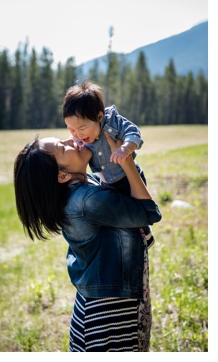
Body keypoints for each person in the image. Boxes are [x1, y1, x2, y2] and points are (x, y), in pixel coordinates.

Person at [13, 132, 161, 352]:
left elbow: (133, 193)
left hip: (110, 302)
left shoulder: (87, 184)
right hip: (109, 313)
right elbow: (148, 211)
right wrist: (126, 161)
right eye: (63, 149)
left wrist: (113, 158)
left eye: (62, 140)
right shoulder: (87, 202)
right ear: (62, 176)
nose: (72, 141)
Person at [61, 80, 153, 245]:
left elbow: (133, 133)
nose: (78, 135)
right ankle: (132, 236)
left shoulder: (112, 121)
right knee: (122, 212)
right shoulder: (80, 137)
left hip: (127, 177)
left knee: (136, 208)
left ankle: (146, 234)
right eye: (72, 130)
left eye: (82, 129)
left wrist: (125, 148)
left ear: (99, 116)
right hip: (107, 182)